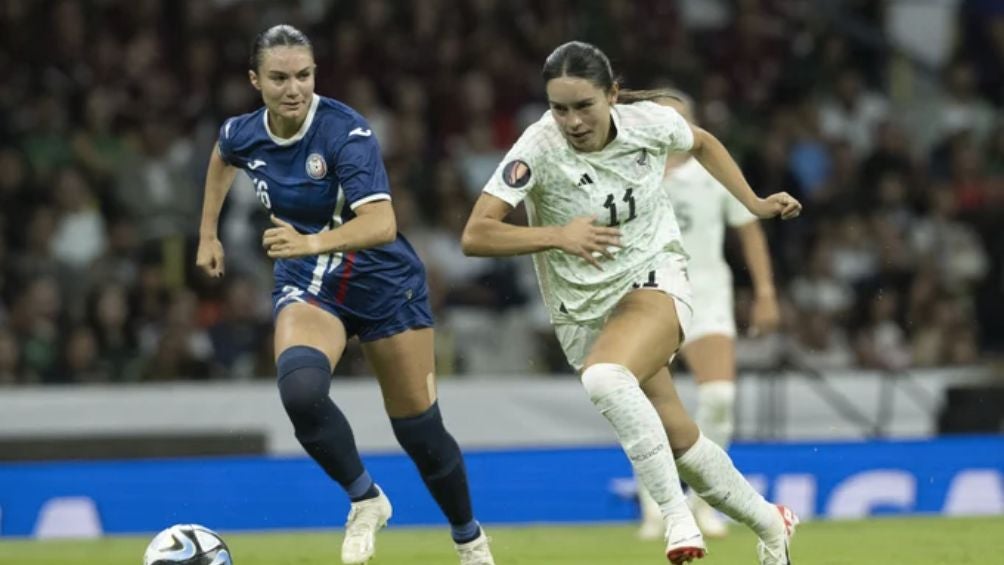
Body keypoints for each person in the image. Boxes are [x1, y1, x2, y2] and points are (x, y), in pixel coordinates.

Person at [461, 41, 800, 565]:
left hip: (657, 276)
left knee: (604, 379)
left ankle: (676, 520)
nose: (571, 121)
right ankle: (771, 523)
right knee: (681, 437)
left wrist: (752, 201)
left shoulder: (650, 123)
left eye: (583, 106)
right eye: (559, 108)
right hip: (585, 312)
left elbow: (704, 143)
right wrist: (557, 235)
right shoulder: (536, 147)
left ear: (612, 95)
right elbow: (476, 234)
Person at [195, 25, 494, 565]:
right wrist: (207, 234)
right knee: (302, 395)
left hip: (384, 284)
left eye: (304, 75)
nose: (294, 88)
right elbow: (221, 156)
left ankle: (469, 539)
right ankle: (366, 499)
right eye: (280, 77)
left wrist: (309, 241)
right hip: (311, 284)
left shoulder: (344, 132)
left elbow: (381, 222)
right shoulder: (244, 132)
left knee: (420, 431)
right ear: (255, 80)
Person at [631, 91, 781, 541]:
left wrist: (766, 292)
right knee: (645, 406)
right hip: (649, 299)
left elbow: (749, 230)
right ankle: (657, 507)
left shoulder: (712, 171)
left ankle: (706, 503)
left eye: (679, 120)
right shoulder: (630, 174)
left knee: (718, 398)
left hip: (708, 298)